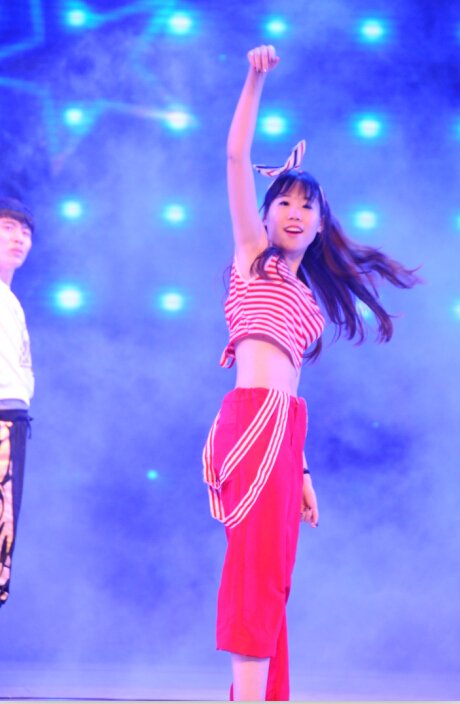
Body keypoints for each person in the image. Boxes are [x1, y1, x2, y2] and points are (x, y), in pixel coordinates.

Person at [202, 45, 420, 701]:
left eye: (307, 207)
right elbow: (236, 158)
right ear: (266, 215)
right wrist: (254, 78)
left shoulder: (308, 297)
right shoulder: (253, 259)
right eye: (285, 203)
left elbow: (290, 387)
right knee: (254, 571)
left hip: (285, 430)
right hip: (251, 420)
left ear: (321, 225)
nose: (294, 213)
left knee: (274, 575)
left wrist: (300, 470)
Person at [0, 196, 34, 608]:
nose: (18, 238)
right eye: (7, 228)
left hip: (13, 422)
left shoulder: (12, 301)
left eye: (25, 232)